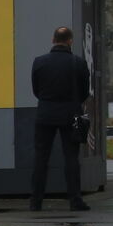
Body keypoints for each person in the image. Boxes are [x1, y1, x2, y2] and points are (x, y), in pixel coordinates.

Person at [29, 25, 92, 212]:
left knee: (41, 158)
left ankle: (36, 201)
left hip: (45, 114)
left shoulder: (39, 62)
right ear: (70, 41)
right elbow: (84, 92)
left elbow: (36, 90)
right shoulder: (78, 63)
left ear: (53, 40)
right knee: (71, 158)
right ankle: (75, 200)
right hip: (70, 115)